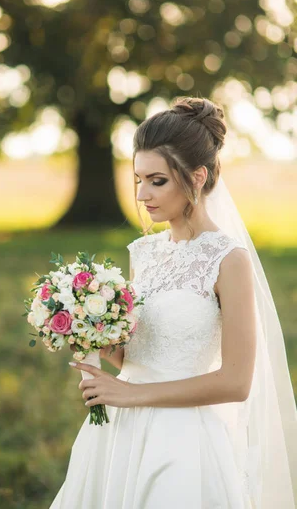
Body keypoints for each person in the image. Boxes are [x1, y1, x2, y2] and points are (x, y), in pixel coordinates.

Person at [49, 96, 297, 508]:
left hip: (182, 440)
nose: (143, 194)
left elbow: (236, 382)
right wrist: (87, 331)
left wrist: (129, 394)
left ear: (197, 177)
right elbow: (139, 356)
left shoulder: (227, 259)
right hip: (118, 431)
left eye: (157, 180)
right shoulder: (144, 253)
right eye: (138, 179)